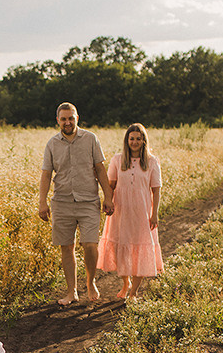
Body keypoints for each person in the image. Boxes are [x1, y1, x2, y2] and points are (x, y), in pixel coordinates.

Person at [38, 102, 114, 306]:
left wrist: (108, 197)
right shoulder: (52, 144)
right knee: (67, 248)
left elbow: (100, 169)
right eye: (63, 119)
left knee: (90, 244)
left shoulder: (90, 139)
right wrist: (42, 202)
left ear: (77, 118)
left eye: (71, 118)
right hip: (61, 202)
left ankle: (90, 282)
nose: (67, 122)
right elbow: (46, 174)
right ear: (58, 121)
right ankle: (71, 291)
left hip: (88, 201)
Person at [97, 123, 163, 300]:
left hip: (142, 212)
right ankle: (126, 282)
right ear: (127, 140)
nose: (134, 142)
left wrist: (154, 213)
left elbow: (156, 190)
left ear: (143, 141)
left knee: (141, 248)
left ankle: (134, 291)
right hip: (121, 211)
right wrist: (108, 201)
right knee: (122, 248)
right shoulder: (118, 160)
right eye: (131, 138)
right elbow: (110, 185)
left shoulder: (152, 161)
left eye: (138, 139)